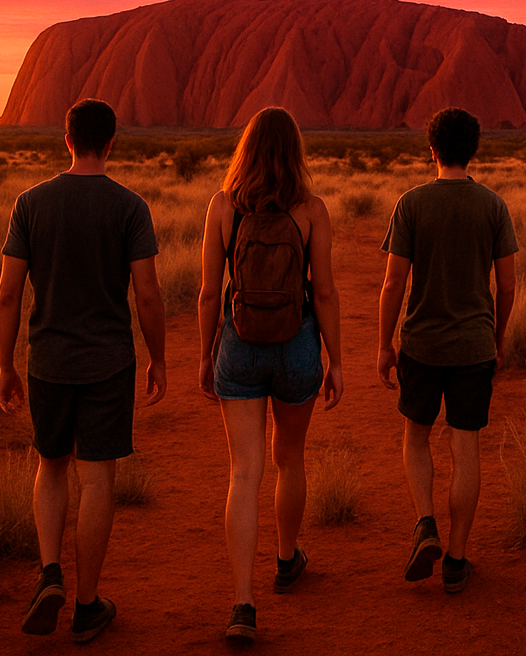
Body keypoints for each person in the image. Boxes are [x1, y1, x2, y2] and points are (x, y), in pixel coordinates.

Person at [0, 97, 167, 644]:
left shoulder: (30, 203)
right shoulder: (129, 206)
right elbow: (148, 291)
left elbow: (6, 296)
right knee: (96, 479)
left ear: (66, 140)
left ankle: (49, 574)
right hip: (108, 363)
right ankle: (87, 604)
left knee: (50, 466)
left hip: (47, 361)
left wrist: (4, 364)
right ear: (111, 142)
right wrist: (159, 357)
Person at [198, 106, 343, 647]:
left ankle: (242, 602)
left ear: (246, 149)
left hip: (237, 346)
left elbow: (210, 292)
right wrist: (336, 359)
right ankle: (286, 560)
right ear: (295, 151)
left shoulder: (222, 208)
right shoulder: (311, 210)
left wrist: (203, 353)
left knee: (244, 474)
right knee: (290, 459)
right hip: (297, 344)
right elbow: (324, 291)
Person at [376, 107, 517, 594]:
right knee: (465, 446)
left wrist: (383, 344)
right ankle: (456, 559)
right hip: (474, 348)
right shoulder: (493, 206)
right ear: (473, 149)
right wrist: (497, 340)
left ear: (431, 149)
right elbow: (508, 284)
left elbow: (394, 281)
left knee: (416, 436)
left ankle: (425, 524)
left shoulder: (411, 204)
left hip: (421, 344)